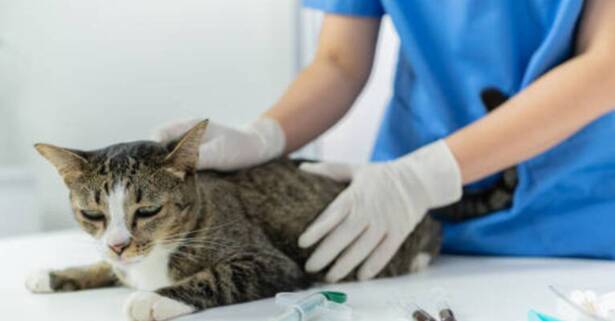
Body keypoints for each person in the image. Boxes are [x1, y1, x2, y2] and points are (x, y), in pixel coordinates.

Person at [155, 0, 615, 283]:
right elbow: (338, 62)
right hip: (407, 230)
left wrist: (422, 177)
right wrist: (265, 135)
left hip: (575, 223)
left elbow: (606, 68)